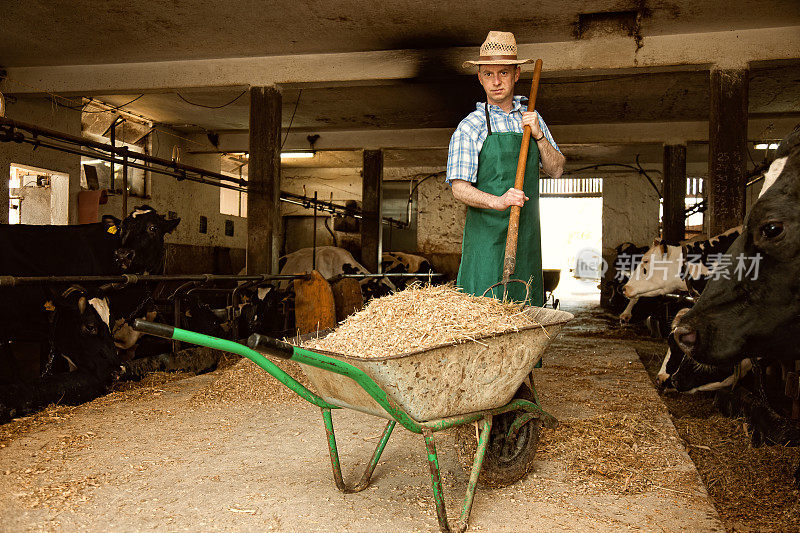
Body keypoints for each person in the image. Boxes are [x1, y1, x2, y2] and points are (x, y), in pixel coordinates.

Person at [447, 30, 565, 304]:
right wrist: (498, 201)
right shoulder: (471, 126)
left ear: (516, 75)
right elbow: (459, 189)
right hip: (485, 238)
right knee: (482, 311)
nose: (496, 81)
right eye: (489, 74)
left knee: (526, 306)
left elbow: (557, 169)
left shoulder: (532, 119)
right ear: (480, 77)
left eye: (503, 73)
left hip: (525, 234)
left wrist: (538, 135)